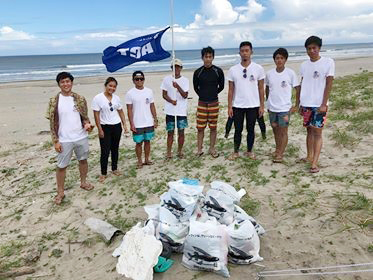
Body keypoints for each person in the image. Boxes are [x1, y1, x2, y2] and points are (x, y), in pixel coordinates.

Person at [46, 72, 94, 205]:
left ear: (71, 82)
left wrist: (87, 125)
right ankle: (60, 192)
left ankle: (83, 182)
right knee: (61, 166)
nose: (65, 84)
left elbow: (84, 117)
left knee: (83, 160)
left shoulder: (80, 98)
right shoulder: (54, 101)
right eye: (62, 82)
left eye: (68, 81)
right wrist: (55, 141)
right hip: (64, 139)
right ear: (59, 84)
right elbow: (52, 123)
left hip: (80, 136)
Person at [297, 36, 335, 173]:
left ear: (319, 48)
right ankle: (309, 156)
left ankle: (314, 162)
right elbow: (303, 83)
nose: (312, 51)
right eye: (309, 48)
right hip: (306, 103)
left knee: (317, 132)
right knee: (309, 130)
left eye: (314, 48)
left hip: (319, 104)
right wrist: (300, 103)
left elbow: (329, 83)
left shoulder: (328, 62)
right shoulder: (303, 65)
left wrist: (324, 103)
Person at [227, 41, 265, 160]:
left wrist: (262, 106)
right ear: (239, 53)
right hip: (238, 105)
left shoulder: (258, 68)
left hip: (253, 105)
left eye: (247, 51)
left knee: (250, 129)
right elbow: (230, 90)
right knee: (238, 129)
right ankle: (236, 151)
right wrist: (229, 106)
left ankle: (249, 151)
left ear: (251, 52)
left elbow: (261, 89)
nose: (244, 53)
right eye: (242, 51)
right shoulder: (233, 69)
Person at [265, 48, 300, 163]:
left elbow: (297, 89)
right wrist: (267, 102)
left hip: (284, 108)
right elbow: (267, 88)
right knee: (275, 130)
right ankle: (277, 149)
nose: (279, 60)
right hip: (272, 108)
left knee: (283, 131)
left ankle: (280, 154)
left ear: (285, 60)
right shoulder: (269, 74)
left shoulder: (290, 73)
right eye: (277, 58)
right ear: (274, 60)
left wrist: (296, 105)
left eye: (281, 58)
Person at [92, 77, 129, 183]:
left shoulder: (116, 98)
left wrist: (124, 125)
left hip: (116, 126)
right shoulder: (98, 98)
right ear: (106, 85)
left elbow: (121, 111)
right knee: (105, 151)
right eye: (110, 86)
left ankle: (114, 168)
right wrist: (99, 129)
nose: (112, 88)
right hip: (105, 126)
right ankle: (103, 173)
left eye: (114, 86)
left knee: (115, 148)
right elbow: (96, 115)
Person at [193, 46, 225, 158]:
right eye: (205, 56)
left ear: (213, 57)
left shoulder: (218, 71)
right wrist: (203, 95)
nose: (208, 59)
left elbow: (221, 86)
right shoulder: (198, 72)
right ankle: (199, 149)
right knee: (200, 128)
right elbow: (195, 87)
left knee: (213, 127)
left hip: (214, 103)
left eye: (210, 56)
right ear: (202, 58)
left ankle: (212, 148)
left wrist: (212, 93)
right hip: (202, 103)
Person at [126, 71, 158, 169]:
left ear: (144, 79)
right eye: (137, 79)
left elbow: (152, 106)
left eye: (141, 79)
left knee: (148, 141)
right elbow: (129, 109)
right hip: (137, 123)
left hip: (148, 121)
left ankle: (147, 159)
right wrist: (131, 124)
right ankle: (139, 160)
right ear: (133, 80)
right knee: (138, 143)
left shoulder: (149, 91)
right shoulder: (130, 93)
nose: (139, 81)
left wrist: (155, 119)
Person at [161, 59, 189, 159]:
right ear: (171, 68)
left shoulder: (185, 80)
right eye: (174, 67)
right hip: (170, 111)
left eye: (178, 67)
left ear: (181, 68)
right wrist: (171, 101)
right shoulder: (166, 79)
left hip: (181, 110)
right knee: (170, 132)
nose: (176, 69)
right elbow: (164, 95)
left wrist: (177, 86)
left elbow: (185, 95)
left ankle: (180, 151)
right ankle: (169, 152)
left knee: (181, 132)